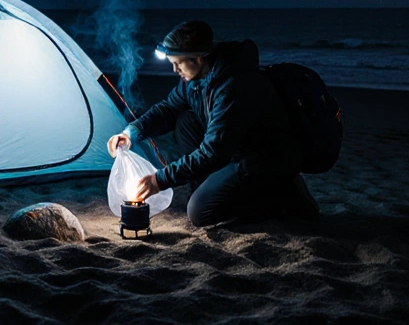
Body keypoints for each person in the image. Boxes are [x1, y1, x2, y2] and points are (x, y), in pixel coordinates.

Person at [106, 20, 319, 227]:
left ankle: (285, 195)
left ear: (198, 59)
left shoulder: (233, 85)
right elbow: (168, 109)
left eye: (178, 64)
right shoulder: (196, 80)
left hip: (263, 157)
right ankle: (214, 188)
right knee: (185, 120)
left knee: (199, 212)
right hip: (233, 150)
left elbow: (212, 153)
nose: (175, 71)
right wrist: (132, 132)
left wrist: (159, 180)